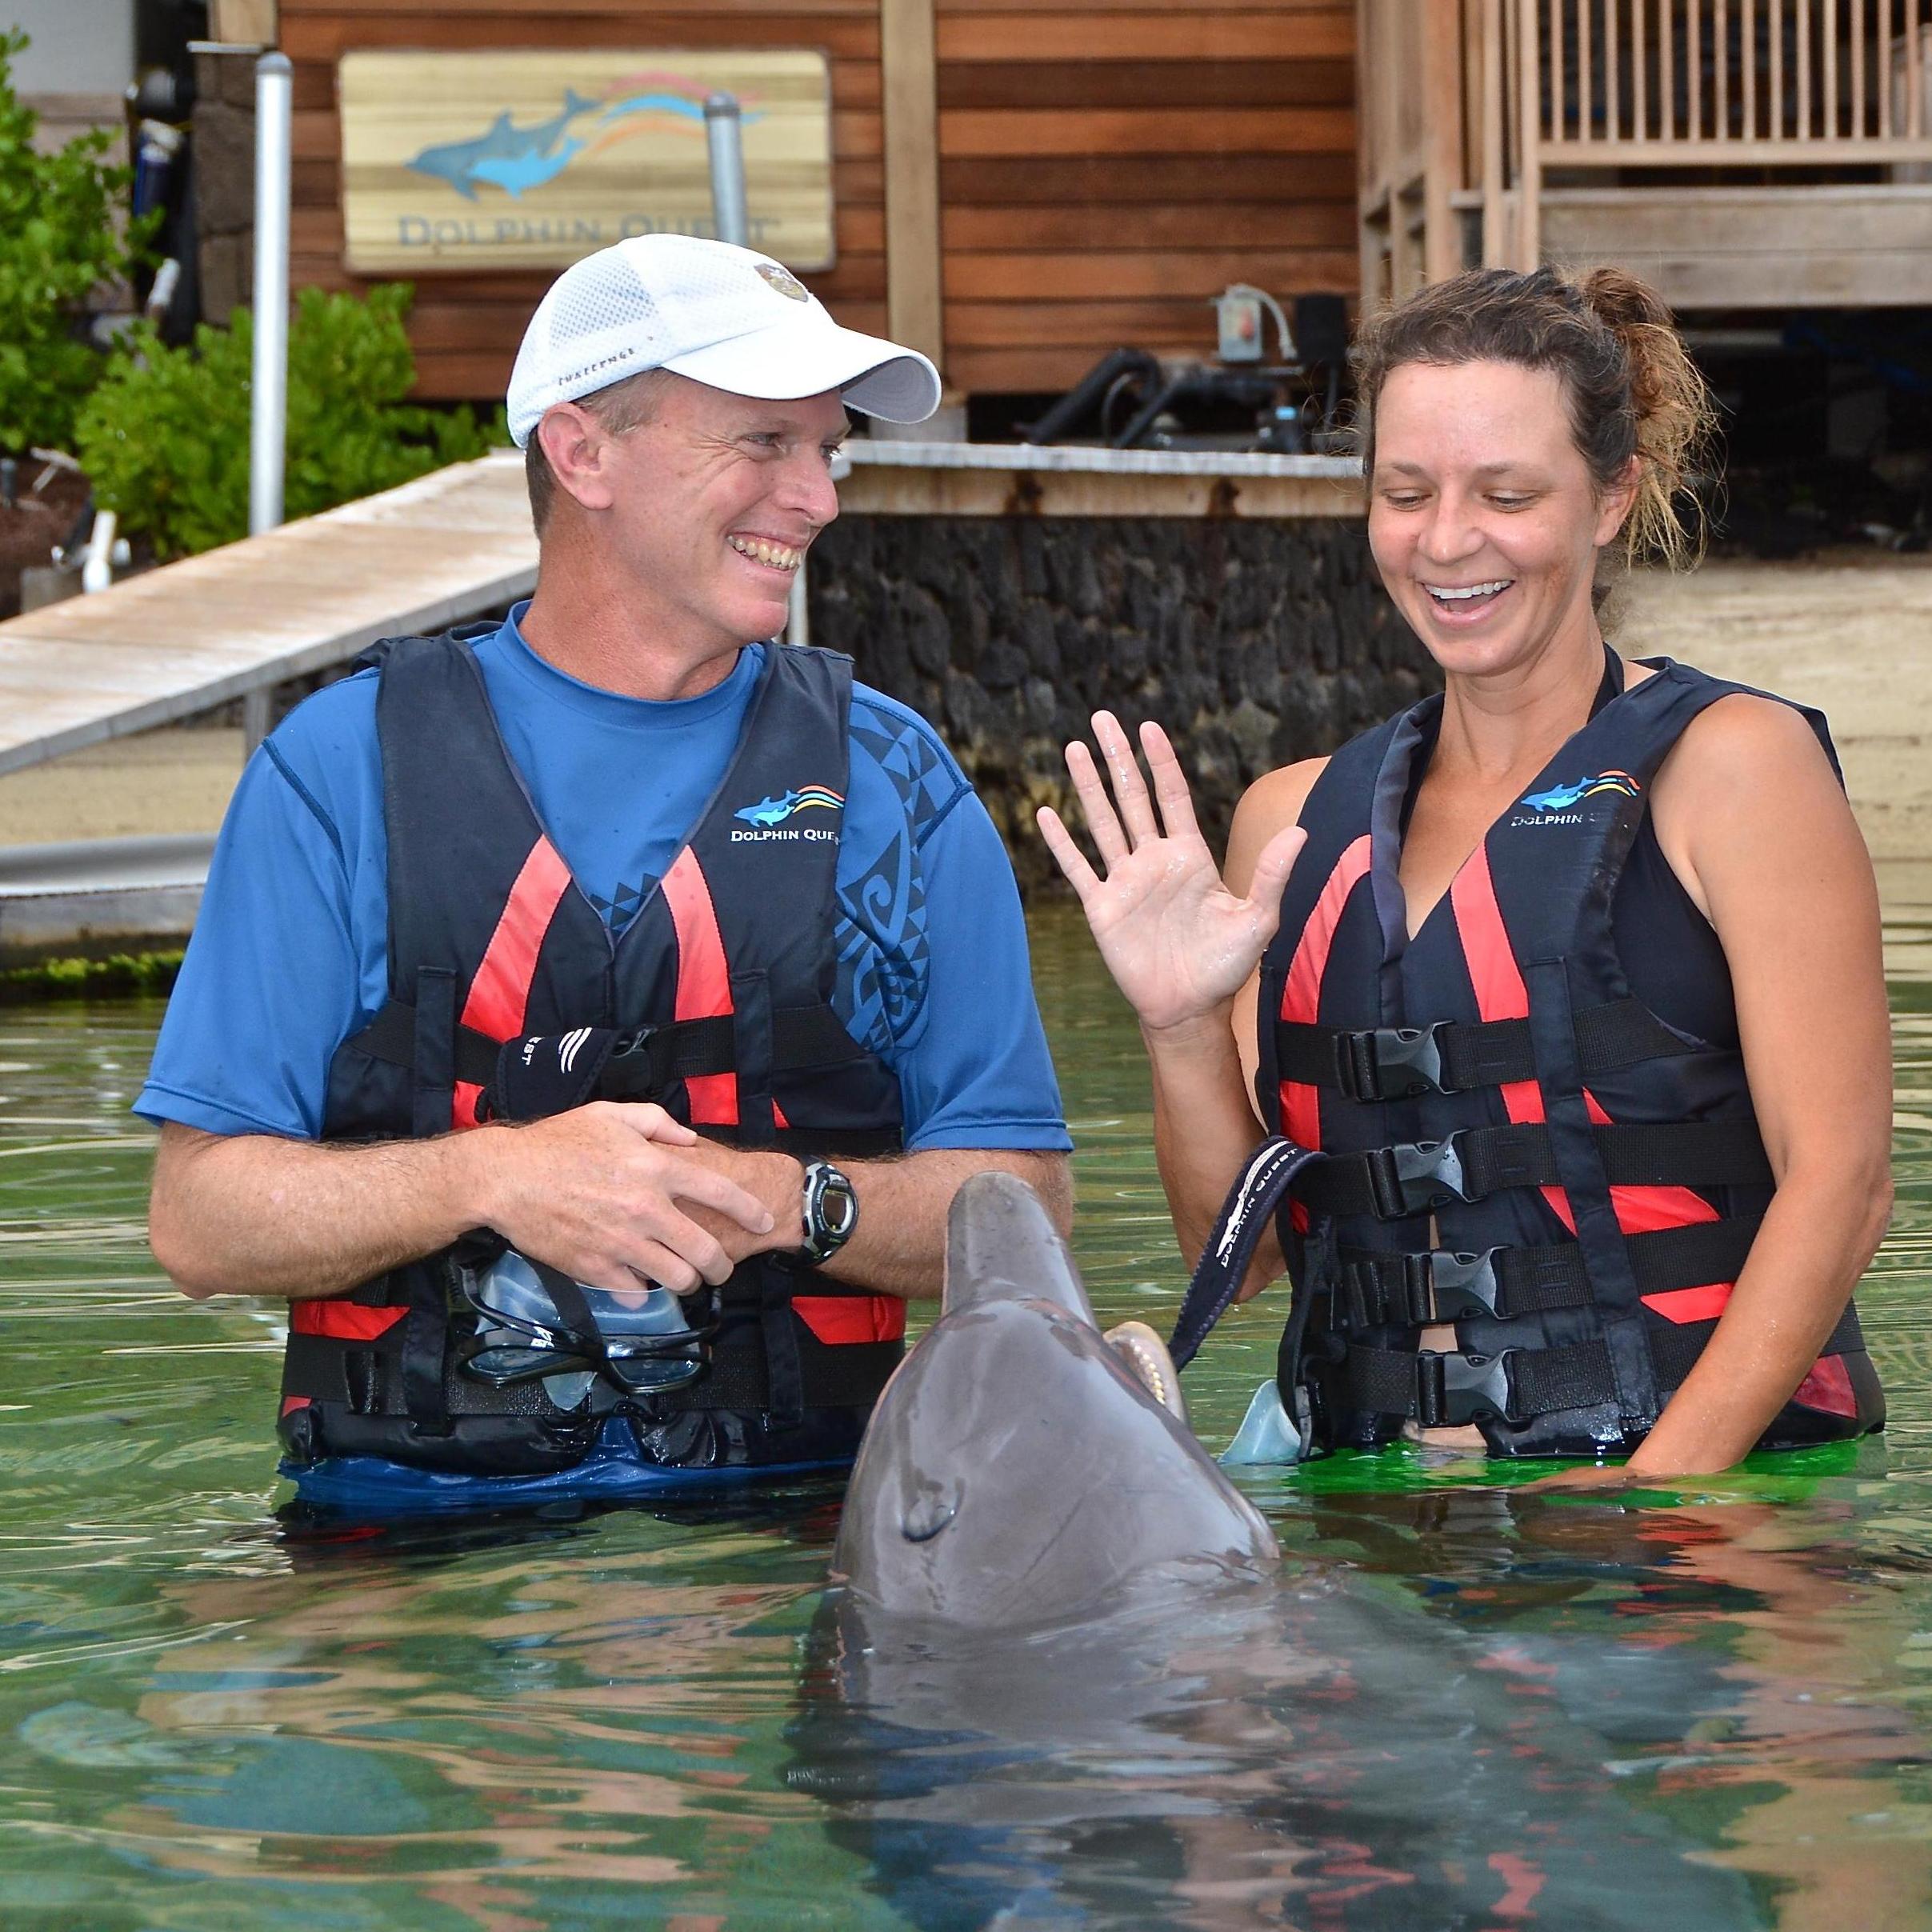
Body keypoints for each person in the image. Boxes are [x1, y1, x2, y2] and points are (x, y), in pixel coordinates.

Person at [138, 234, 1072, 1510]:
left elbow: (1026, 1213)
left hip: (800, 1541)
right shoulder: (340, 770)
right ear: (583, 454)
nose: (821, 498)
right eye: (763, 444)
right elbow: (198, 1222)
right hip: (407, 1568)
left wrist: (790, 1200)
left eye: (825, 450)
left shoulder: (894, 782)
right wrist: (491, 1174)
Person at [1041, 266, 1890, 1480]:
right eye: (1406, 493)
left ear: (1610, 497)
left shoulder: (1733, 772)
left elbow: (1846, 1187)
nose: (1447, 543)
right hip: (1369, 1508)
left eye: (1507, 494)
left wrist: (1657, 1511)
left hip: (1687, 1514)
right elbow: (1240, 1254)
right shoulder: (1292, 824)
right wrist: (1177, 1028)